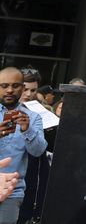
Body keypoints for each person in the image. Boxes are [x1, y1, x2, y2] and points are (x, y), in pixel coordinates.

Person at [0, 68, 46, 224]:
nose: (10, 90)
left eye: (16, 86)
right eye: (4, 85)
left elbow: (38, 151)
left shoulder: (33, 118)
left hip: (12, 192)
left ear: (22, 88)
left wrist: (28, 130)